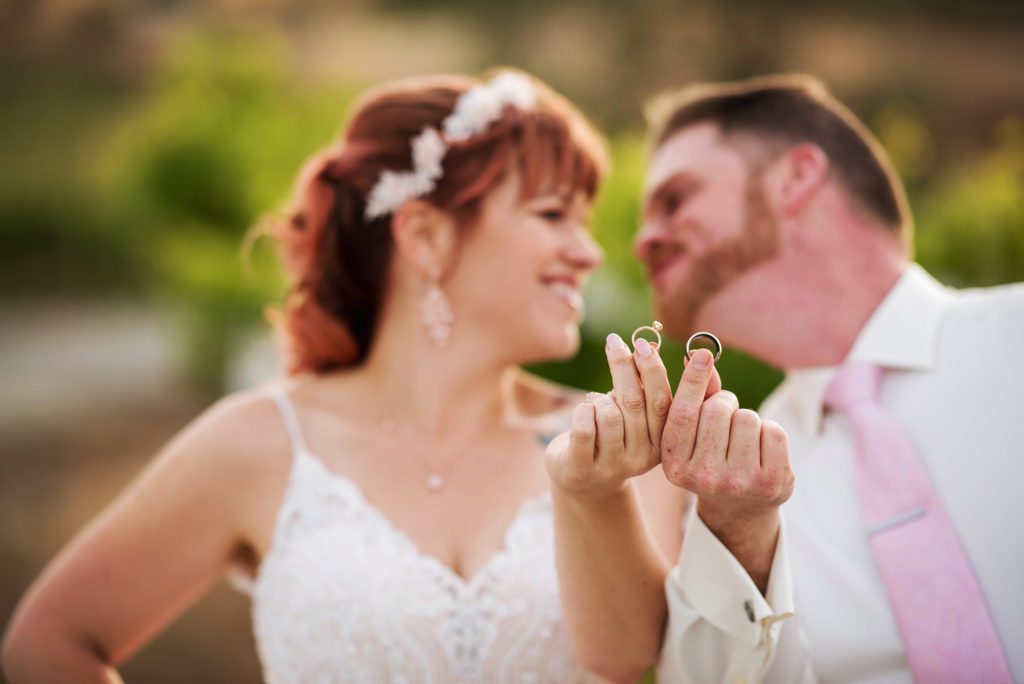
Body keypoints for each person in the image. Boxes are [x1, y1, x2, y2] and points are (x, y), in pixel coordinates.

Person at [1, 69, 652, 683]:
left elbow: (646, 658)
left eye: (585, 221)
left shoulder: (610, 444)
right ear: (425, 236)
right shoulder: (261, 442)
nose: (589, 252)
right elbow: (48, 645)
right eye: (552, 214)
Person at [552, 73, 1024, 683]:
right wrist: (742, 538)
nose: (642, 241)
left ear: (796, 179)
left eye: (676, 199)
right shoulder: (729, 483)